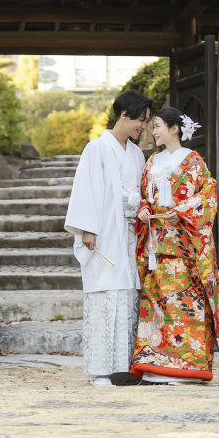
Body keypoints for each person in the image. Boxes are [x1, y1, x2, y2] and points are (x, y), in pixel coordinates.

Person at [64, 90, 152, 386]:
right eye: (141, 119)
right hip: (103, 231)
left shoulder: (137, 154)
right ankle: (102, 369)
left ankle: (126, 368)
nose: (144, 126)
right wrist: (88, 228)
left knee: (128, 293)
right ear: (124, 115)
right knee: (106, 294)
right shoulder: (96, 148)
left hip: (130, 232)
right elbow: (85, 189)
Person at [131, 107, 219, 384]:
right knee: (156, 305)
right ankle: (155, 364)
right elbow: (144, 197)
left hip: (184, 248)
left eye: (157, 126)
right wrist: (144, 210)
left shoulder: (194, 161)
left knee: (186, 306)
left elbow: (208, 196)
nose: (153, 131)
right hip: (156, 248)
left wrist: (183, 211)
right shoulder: (151, 163)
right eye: (152, 127)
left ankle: (188, 367)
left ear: (174, 128)